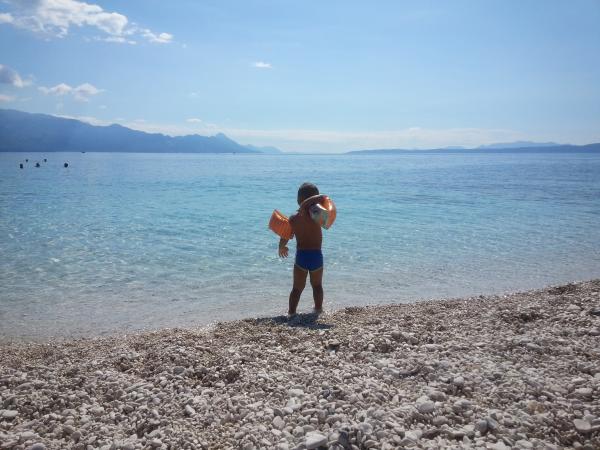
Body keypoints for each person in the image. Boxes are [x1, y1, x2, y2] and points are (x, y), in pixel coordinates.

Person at [278, 182, 328, 318]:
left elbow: (285, 235)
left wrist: (281, 247)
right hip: (316, 256)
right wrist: (320, 199)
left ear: (298, 200)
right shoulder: (317, 216)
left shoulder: (294, 218)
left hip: (301, 257)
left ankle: (291, 312)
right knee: (317, 286)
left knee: (297, 288)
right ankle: (318, 309)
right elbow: (327, 218)